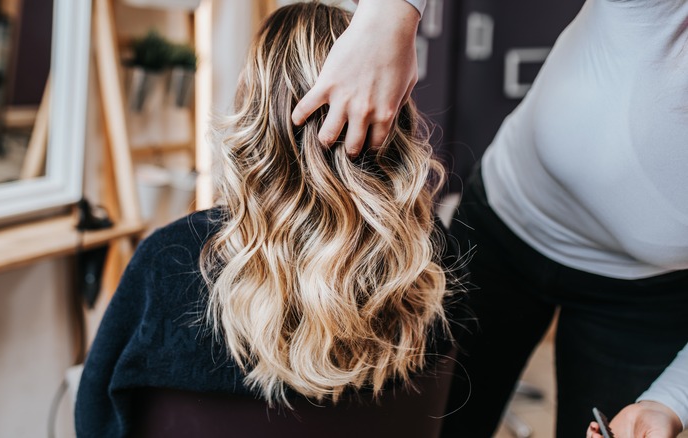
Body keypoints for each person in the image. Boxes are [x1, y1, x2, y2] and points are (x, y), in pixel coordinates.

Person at [293, 0, 688, 436]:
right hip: (504, 223)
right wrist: (389, 17)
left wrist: (669, 401)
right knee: (442, 425)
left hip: (648, 296)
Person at [75, 3, 463, 437]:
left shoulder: (171, 260)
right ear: (387, 101)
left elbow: (96, 421)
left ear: (254, 109)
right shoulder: (431, 254)